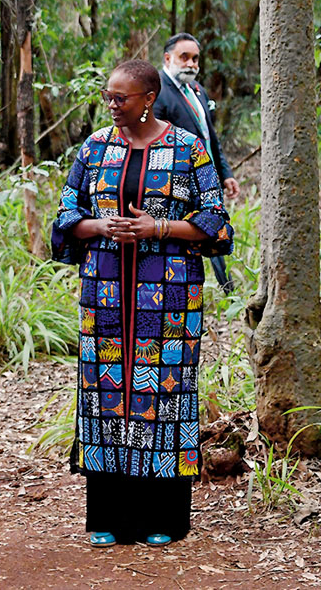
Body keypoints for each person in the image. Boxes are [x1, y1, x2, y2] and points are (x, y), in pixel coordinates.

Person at [50, 59, 233, 548]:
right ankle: (110, 517)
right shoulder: (95, 147)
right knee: (107, 390)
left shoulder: (186, 148)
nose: (112, 105)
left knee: (163, 393)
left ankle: (162, 518)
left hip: (168, 292)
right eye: (108, 96)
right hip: (105, 289)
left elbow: (216, 221)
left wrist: (158, 227)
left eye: (121, 97)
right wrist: (99, 227)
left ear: (148, 98)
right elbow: (67, 213)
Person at [154, 32, 240, 292]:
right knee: (188, 236)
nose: (191, 64)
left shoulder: (197, 90)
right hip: (177, 184)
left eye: (195, 59)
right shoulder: (157, 91)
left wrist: (225, 173)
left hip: (207, 180)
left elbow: (209, 136)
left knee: (212, 229)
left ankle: (226, 288)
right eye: (185, 57)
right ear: (168, 58)